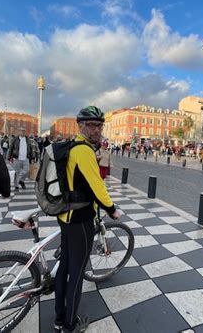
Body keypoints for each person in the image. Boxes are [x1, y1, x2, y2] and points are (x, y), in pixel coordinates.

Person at [54, 106, 121, 333]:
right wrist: (112, 209)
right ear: (80, 125)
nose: (96, 129)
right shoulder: (83, 150)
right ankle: (70, 325)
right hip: (80, 219)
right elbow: (97, 186)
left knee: (64, 268)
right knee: (77, 271)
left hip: (65, 215)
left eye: (99, 125)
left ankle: (59, 317)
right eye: (91, 125)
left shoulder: (72, 145)